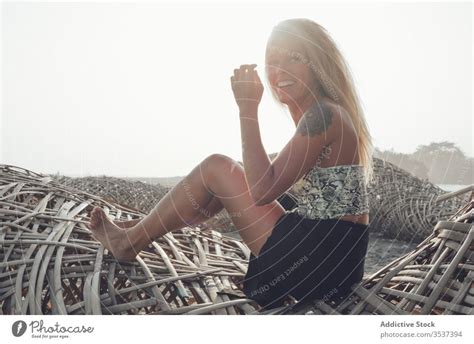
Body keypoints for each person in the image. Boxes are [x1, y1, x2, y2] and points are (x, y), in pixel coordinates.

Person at [87, 18, 374, 310]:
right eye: (273, 60)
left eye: (294, 58)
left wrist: (247, 109)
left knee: (217, 167)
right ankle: (142, 228)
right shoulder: (327, 113)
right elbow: (264, 180)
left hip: (321, 256)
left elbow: (262, 190)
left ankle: (129, 242)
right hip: (337, 258)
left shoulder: (323, 115)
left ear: (317, 65)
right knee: (224, 176)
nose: (280, 70)